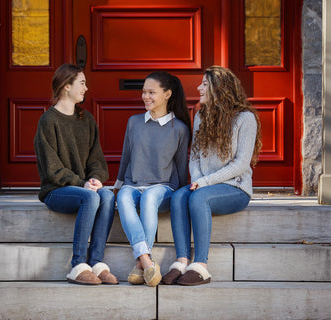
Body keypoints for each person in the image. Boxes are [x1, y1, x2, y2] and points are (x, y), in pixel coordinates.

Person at [161, 65, 262, 286]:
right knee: (179, 196)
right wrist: (197, 180)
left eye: (205, 84)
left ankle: (201, 266)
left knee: (198, 198)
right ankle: (181, 261)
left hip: (235, 188)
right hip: (203, 184)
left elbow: (241, 164)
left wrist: (204, 183)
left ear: (220, 88)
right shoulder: (201, 116)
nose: (199, 88)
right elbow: (195, 155)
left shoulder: (245, 118)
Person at [34, 63, 118, 285]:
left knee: (108, 195)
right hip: (56, 190)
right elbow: (52, 168)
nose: (86, 88)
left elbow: (96, 159)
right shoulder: (48, 121)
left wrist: (96, 179)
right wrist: (81, 183)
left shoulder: (86, 119)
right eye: (81, 83)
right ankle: (78, 265)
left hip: (83, 188)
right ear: (65, 86)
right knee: (90, 196)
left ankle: (97, 263)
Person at [114, 71, 191, 287]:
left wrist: (183, 197)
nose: (145, 96)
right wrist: (118, 185)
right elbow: (125, 157)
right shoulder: (134, 122)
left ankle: (140, 263)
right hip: (133, 184)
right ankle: (146, 261)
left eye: (151, 92)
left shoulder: (180, 129)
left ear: (167, 94)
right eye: (143, 92)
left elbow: (182, 168)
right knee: (124, 198)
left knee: (149, 198)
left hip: (163, 188)